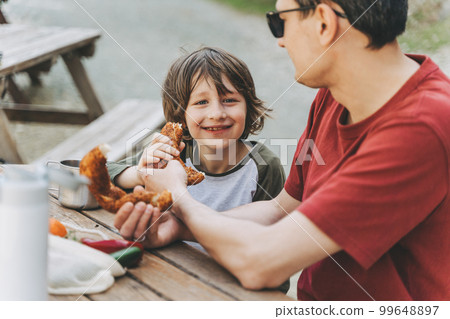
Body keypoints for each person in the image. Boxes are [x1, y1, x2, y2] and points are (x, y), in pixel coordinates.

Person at [114, 0, 450, 301]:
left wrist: (177, 196)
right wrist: (178, 227)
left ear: (323, 22)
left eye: (280, 21)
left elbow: (261, 264)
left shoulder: (421, 127)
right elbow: (282, 211)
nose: (281, 40)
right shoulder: (335, 97)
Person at [108, 47, 285, 244]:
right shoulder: (174, 153)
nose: (216, 113)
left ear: (248, 107)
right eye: (201, 102)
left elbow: (275, 238)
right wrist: (141, 173)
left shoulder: (264, 167)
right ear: (181, 114)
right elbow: (101, 173)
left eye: (229, 100)